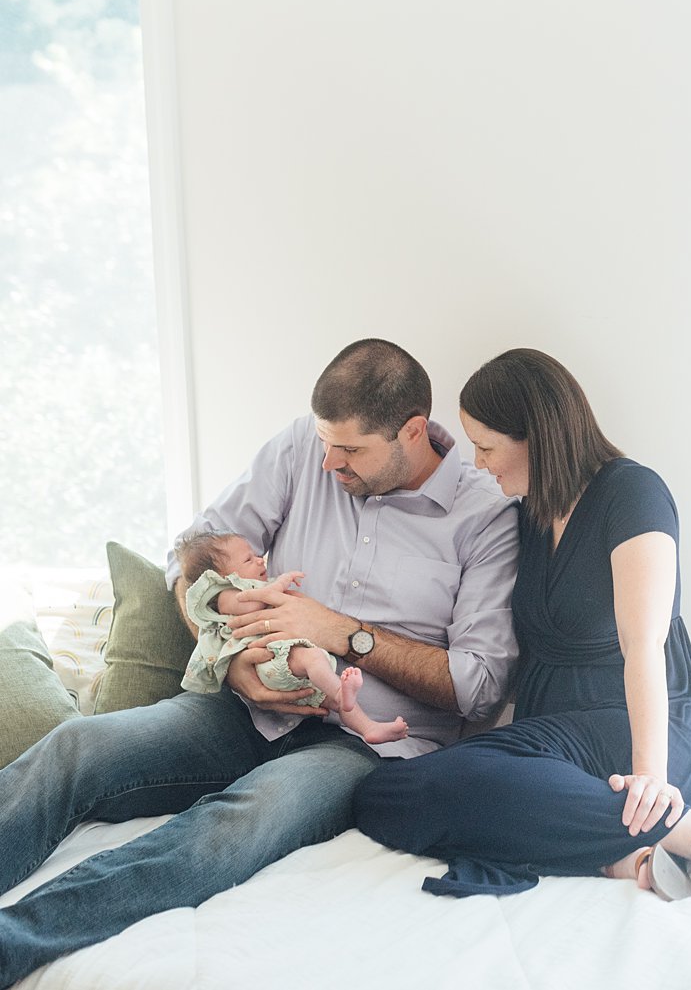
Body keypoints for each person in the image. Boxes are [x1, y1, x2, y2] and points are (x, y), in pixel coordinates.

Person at [0, 339, 520, 984]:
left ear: (412, 431)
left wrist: (341, 633)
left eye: (351, 450)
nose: (329, 462)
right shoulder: (304, 447)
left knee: (238, 824)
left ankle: (12, 941)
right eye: (326, 442)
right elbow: (190, 559)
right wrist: (229, 654)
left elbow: (479, 687)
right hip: (241, 706)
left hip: (363, 746)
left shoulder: (485, 516)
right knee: (75, 746)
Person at [353, 348, 691, 902]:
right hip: (557, 744)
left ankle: (690, 829)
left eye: (486, 447)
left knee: (439, 788)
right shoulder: (528, 515)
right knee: (383, 795)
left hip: (641, 729)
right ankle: (627, 852)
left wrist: (650, 778)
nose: (480, 464)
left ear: (536, 436)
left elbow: (645, 646)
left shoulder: (633, 494)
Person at [176, 530, 408, 744]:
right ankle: (340, 691)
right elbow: (252, 603)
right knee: (312, 658)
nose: (260, 560)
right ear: (219, 577)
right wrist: (279, 583)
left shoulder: (251, 585)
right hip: (266, 661)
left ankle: (368, 727)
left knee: (333, 701)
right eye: (248, 560)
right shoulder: (225, 595)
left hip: (279, 664)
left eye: (256, 555)